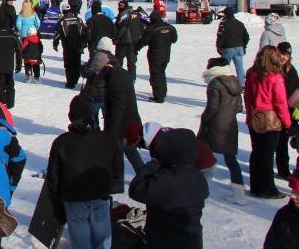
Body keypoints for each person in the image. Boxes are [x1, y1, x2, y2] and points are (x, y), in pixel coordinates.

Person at [47, 96, 123, 249]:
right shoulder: (107, 140)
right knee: (102, 244)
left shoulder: (62, 143)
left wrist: (58, 209)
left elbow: (53, 180)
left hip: (75, 202)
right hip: (99, 199)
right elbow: (118, 170)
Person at [128, 128, 210, 249]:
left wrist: (152, 164)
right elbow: (203, 193)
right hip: (192, 240)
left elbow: (136, 189)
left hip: (165, 240)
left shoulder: (165, 178)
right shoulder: (196, 176)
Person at [245, 45, 293, 199]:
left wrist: (251, 114)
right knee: (267, 155)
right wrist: (287, 123)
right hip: (270, 119)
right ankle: (268, 188)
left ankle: (256, 186)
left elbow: (247, 98)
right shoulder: (275, 77)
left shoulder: (252, 75)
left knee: (257, 152)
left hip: (255, 117)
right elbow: (280, 102)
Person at [198, 57, 247, 205]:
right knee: (231, 159)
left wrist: (204, 118)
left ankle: (199, 188)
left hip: (214, 125)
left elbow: (212, 107)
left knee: (202, 154)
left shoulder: (215, 83)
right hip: (230, 124)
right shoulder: (236, 81)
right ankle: (239, 196)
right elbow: (239, 107)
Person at [101, 59, 144, 173]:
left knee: (117, 154)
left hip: (122, 125)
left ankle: (117, 180)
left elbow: (118, 107)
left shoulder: (115, 80)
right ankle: (144, 174)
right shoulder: (121, 73)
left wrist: (112, 132)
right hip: (130, 122)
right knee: (130, 150)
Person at [138, 10, 178, 103]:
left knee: (155, 75)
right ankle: (163, 93)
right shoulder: (170, 27)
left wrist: (135, 48)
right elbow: (174, 39)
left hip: (154, 55)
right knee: (162, 73)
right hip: (166, 54)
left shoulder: (151, 29)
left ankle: (158, 97)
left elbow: (143, 41)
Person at [0, 13, 23, 108]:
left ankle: (2, 103)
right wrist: (19, 64)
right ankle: (10, 102)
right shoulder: (13, 36)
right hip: (9, 66)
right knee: (10, 84)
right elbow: (19, 51)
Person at [276, 42, 299, 180]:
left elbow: (295, 90)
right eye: (283, 54)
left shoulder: (291, 70)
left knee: (283, 141)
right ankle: (282, 168)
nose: (285, 57)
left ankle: (284, 168)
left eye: (287, 55)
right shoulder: (272, 69)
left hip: (288, 110)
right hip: (276, 110)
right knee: (277, 142)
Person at [53, 4, 86, 89]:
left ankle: (70, 82)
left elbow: (57, 35)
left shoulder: (62, 21)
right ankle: (76, 78)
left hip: (67, 46)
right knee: (77, 62)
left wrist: (55, 44)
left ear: (63, 11)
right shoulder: (78, 20)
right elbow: (84, 32)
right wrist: (83, 43)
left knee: (69, 64)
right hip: (78, 46)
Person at [216, 6, 250, 84]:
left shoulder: (223, 24)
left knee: (224, 67)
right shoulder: (240, 24)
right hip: (239, 48)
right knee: (240, 67)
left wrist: (218, 47)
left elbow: (221, 36)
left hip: (228, 48)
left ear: (225, 14)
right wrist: (244, 46)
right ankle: (242, 83)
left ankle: (225, 83)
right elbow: (246, 37)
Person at [113, 5, 144, 76]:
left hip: (123, 42)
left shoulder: (125, 16)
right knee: (131, 62)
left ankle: (118, 76)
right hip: (134, 43)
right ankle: (132, 77)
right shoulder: (137, 17)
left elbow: (122, 28)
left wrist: (116, 39)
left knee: (119, 60)